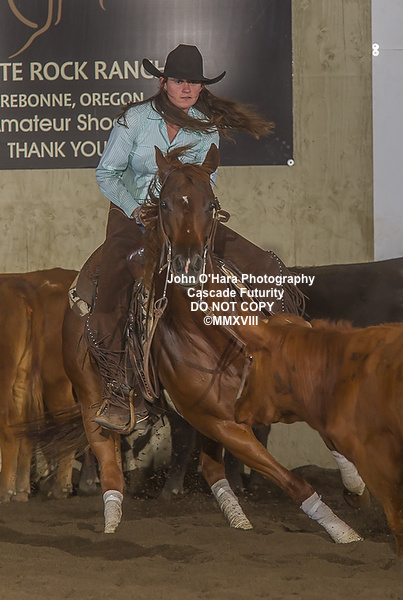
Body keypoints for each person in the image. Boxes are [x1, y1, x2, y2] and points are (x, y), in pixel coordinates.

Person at [87, 44, 296, 433]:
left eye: (194, 82)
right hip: (133, 216)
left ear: (202, 87)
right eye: (179, 80)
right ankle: (118, 390)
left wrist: (195, 210)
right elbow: (107, 173)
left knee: (262, 263)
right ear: (163, 82)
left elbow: (207, 179)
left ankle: (292, 349)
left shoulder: (205, 126)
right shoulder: (134, 120)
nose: (187, 88)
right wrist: (135, 208)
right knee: (110, 288)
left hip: (186, 217)